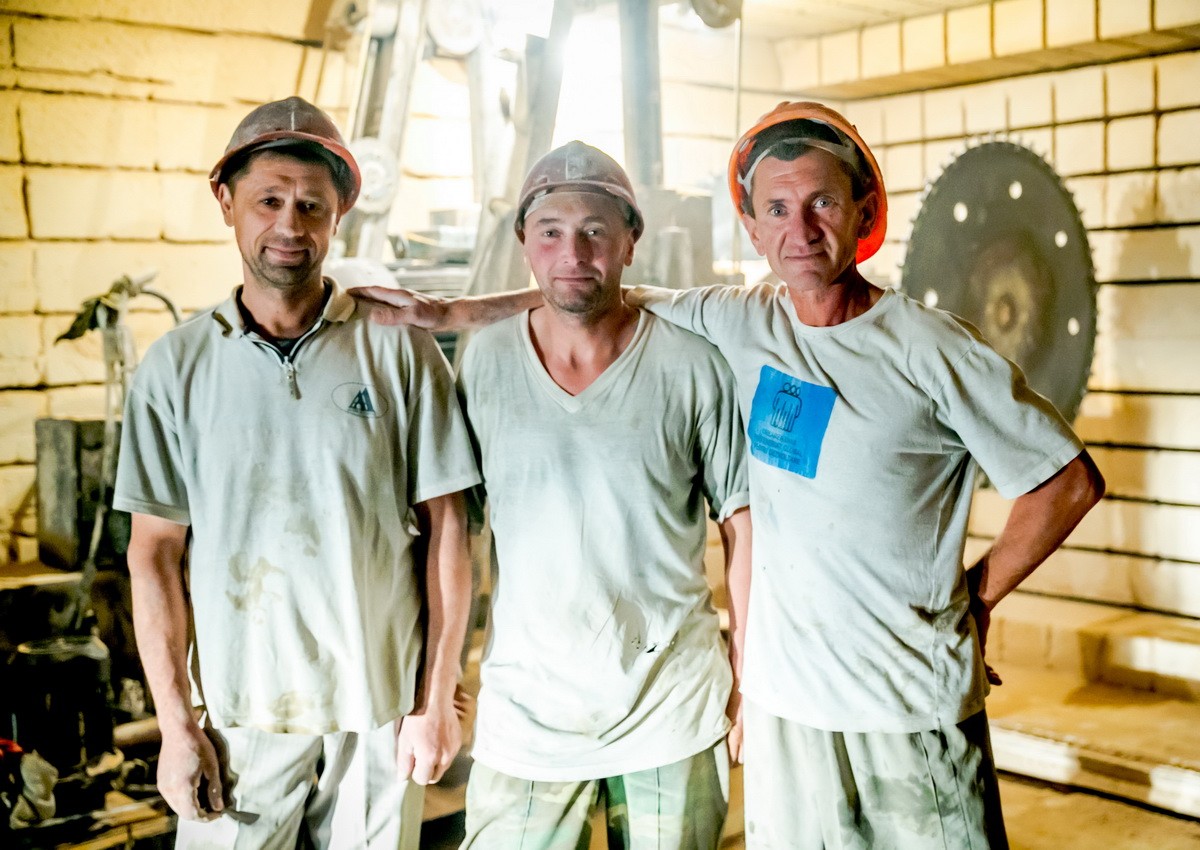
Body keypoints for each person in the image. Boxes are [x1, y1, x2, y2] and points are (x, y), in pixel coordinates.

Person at [353, 103, 1106, 848]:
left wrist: (977, 596)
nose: (799, 229)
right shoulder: (744, 320)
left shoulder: (929, 347)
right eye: (776, 208)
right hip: (788, 714)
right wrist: (450, 313)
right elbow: (591, 293)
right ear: (751, 227)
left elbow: (1067, 481)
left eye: (821, 203)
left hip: (907, 706)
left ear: (864, 212)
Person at [113, 96, 481, 850]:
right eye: (269, 201)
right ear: (226, 202)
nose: (290, 225)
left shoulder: (399, 351)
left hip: (381, 712)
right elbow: (153, 554)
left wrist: (435, 696)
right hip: (240, 714)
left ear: (339, 214)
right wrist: (177, 728)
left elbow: (449, 530)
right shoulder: (175, 368)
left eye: (312, 205)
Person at [362, 141, 752, 848]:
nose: (573, 252)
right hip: (528, 718)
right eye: (550, 232)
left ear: (630, 241)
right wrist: (434, 693)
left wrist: (747, 680)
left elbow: (741, 526)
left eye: (595, 231)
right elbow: (454, 533)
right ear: (524, 243)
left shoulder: (693, 363)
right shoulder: (485, 361)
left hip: (669, 711)